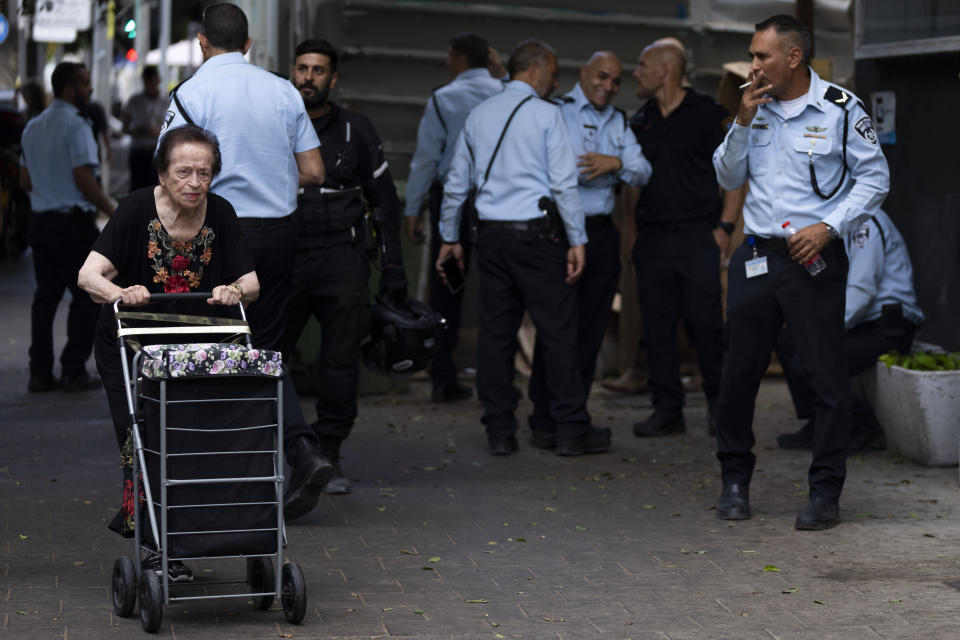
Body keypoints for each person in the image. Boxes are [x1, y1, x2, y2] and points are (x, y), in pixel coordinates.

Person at [713, 15, 889, 530]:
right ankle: (734, 481)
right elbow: (727, 175)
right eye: (752, 55)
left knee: (825, 376)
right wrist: (741, 121)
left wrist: (829, 227)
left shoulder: (839, 108)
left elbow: (874, 178)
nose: (753, 65)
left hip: (814, 256)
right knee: (738, 372)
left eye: (761, 56)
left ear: (793, 57)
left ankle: (825, 492)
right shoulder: (751, 106)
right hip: (757, 256)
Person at [158, 2, 330, 521]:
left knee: (211, 348)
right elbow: (315, 170)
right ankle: (300, 450)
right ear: (250, 44)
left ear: (202, 42)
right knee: (267, 346)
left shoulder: (191, 93)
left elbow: (170, 170)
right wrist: (272, 176)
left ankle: (227, 471)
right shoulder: (283, 90)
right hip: (280, 235)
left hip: (220, 233)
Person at [78, 124, 259, 582]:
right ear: (162, 174)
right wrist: (123, 291)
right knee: (145, 442)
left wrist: (231, 287)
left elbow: (251, 283)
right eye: (183, 172)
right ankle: (159, 549)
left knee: (197, 439)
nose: (194, 183)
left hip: (194, 347)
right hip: (132, 348)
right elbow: (88, 276)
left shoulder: (221, 212)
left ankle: (204, 533)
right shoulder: (136, 209)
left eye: (204, 172)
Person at [436, 39, 609, 457]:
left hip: (491, 238)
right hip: (537, 238)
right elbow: (564, 185)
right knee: (558, 331)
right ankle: (569, 428)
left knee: (496, 335)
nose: (554, 80)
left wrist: (449, 239)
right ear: (533, 70)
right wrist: (578, 240)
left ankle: (499, 429)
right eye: (551, 72)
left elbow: (456, 183)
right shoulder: (548, 116)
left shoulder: (478, 116)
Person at [283, 38, 408, 497]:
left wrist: (393, 268)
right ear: (291, 72)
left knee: (339, 360)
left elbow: (384, 201)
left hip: (343, 258)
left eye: (318, 71)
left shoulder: (357, 129)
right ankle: (291, 450)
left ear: (332, 79)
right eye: (302, 68)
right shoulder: (276, 122)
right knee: (266, 355)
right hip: (287, 256)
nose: (308, 78)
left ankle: (328, 454)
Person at [527, 51, 651, 444]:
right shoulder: (557, 112)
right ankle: (543, 417)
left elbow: (642, 169)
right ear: (582, 74)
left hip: (601, 232)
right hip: (560, 232)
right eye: (601, 76)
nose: (608, 86)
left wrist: (613, 163)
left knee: (591, 328)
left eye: (616, 80)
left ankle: (572, 416)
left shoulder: (618, 120)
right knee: (557, 328)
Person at [628, 41, 740, 437]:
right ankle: (667, 410)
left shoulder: (708, 115)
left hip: (698, 237)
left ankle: (719, 407)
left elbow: (733, 176)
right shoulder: (640, 121)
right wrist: (634, 235)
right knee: (657, 328)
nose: (636, 73)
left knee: (706, 325)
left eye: (643, 66)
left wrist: (724, 229)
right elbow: (632, 187)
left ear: (664, 71)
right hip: (654, 239)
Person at [405, 32, 505, 403]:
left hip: (454, 200)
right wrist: (502, 71)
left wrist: (412, 208)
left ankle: (443, 376)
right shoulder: (505, 93)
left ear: (460, 57)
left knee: (447, 288)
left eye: (449, 55)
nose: (447, 62)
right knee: (501, 289)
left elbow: (427, 158)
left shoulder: (444, 98)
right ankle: (499, 378)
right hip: (500, 199)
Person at [776, 209, 924, 451]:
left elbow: (861, 290)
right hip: (859, 323)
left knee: (810, 360)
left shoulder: (865, 221)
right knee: (786, 339)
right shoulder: (834, 222)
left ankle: (863, 424)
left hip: (886, 328)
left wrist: (823, 331)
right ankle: (818, 421)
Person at [19, 61, 116, 393]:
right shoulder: (77, 126)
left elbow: (25, 179)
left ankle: (40, 372)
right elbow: (83, 177)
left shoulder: (33, 127)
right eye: (86, 83)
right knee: (91, 294)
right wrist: (113, 211)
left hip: (41, 222)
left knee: (45, 299)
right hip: (72, 225)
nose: (90, 89)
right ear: (69, 89)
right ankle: (73, 368)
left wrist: (49, 189)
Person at [122, 65, 168, 190]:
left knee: (157, 188)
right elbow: (124, 127)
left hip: (158, 151)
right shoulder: (134, 101)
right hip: (138, 150)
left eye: (153, 81)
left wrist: (158, 132)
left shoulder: (166, 101)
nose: (150, 85)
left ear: (158, 80)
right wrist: (135, 131)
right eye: (147, 82)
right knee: (137, 187)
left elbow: (173, 129)